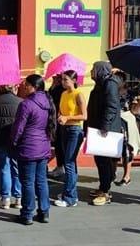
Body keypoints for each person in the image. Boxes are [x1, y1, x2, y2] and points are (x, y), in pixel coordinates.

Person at [11, 75, 55, 225]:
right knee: (41, 181)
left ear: (33, 87)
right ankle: (44, 212)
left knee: (28, 182)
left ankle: (27, 213)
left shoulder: (26, 104)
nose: (24, 87)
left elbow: (18, 127)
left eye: (26, 85)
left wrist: (14, 142)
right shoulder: (48, 102)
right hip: (43, 145)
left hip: (28, 146)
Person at [86, 61, 123, 206]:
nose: (91, 72)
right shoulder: (101, 83)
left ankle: (106, 192)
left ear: (101, 70)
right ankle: (102, 187)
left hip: (105, 129)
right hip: (98, 127)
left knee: (105, 162)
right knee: (100, 160)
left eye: (94, 69)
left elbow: (112, 106)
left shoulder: (110, 84)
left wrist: (105, 125)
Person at [53, 70, 87, 207]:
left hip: (74, 130)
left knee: (68, 163)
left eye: (66, 79)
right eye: (62, 79)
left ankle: (69, 198)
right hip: (64, 128)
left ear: (74, 80)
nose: (63, 82)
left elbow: (84, 116)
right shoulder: (63, 94)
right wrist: (61, 117)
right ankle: (72, 193)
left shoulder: (78, 95)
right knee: (71, 163)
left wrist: (68, 118)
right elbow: (61, 110)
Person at [0, 84, 23, 210]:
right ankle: (19, 199)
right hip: (15, 140)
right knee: (17, 168)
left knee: (4, 167)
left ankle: (5, 199)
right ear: (13, 88)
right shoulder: (20, 102)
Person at [113, 70, 140, 187]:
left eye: (117, 79)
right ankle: (112, 173)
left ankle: (126, 176)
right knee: (113, 149)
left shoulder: (130, 93)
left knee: (127, 149)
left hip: (127, 123)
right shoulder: (111, 92)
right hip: (114, 121)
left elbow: (134, 111)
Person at [47, 74, 65, 179]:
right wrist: (53, 84)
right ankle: (60, 167)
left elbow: (53, 98)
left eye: (60, 78)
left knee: (61, 145)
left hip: (60, 119)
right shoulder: (56, 87)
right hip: (54, 119)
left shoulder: (63, 90)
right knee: (58, 145)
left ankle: (61, 167)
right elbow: (49, 97)